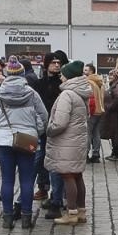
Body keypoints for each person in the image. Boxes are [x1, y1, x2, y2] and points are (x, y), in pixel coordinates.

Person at [0, 59, 49, 230]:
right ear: (22, 74)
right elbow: (44, 117)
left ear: (7, 74)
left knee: (7, 179)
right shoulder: (32, 94)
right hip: (27, 139)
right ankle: (26, 218)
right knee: (26, 180)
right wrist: (35, 131)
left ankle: (7, 218)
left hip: (3, 140)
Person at [46, 61, 92, 225]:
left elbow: (60, 122)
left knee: (68, 176)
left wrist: (49, 130)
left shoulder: (67, 94)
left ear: (69, 76)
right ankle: (81, 211)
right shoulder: (81, 93)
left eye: (63, 74)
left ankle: (71, 213)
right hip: (77, 141)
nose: (61, 77)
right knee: (77, 175)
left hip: (66, 142)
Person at [30, 50, 68, 217]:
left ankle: (58, 197)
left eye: (59, 63)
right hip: (42, 129)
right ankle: (43, 188)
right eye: (53, 62)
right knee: (40, 160)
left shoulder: (63, 84)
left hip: (58, 129)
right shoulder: (39, 84)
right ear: (46, 65)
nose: (56, 65)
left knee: (57, 164)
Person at [84, 64, 106, 162]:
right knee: (96, 133)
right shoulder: (100, 82)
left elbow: (91, 99)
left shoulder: (89, 82)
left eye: (86, 70)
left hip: (92, 111)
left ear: (91, 71)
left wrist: (88, 112)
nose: (84, 72)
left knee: (88, 133)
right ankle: (96, 154)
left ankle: (86, 154)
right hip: (100, 111)